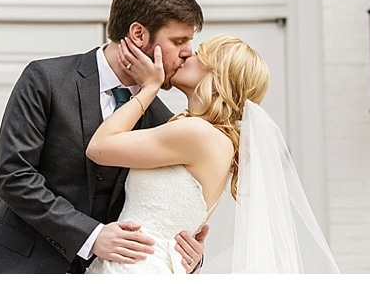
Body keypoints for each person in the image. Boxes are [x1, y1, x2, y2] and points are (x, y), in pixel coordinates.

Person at [0, 0, 209, 274]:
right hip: (15, 265)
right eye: (179, 41)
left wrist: (186, 257)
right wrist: (90, 236)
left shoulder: (161, 120)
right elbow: (15, 175)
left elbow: (158, 206)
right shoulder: (46, 79)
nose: (188, 53)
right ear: (138, 34)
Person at [85, 34, 340, 274]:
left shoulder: (197, 134)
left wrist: (149, 88)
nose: (186, 56)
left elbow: (99, 148)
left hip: (135, 268)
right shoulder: (219, 141)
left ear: (217, 73)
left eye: (198, 53)